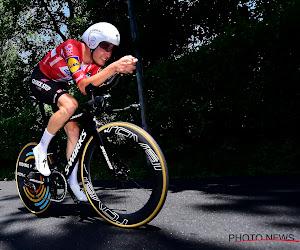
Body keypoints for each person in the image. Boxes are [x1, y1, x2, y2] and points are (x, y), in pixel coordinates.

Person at [30, 22, 138, 201]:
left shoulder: (94, 65)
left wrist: (120, 70)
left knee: (74, 130)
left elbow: (97, 84)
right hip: (40, 77)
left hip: (58, 84)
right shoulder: (72, 48)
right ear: (93, 42)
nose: (109, 54)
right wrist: (114, 67)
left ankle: (73, 183)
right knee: (71, 104)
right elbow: (82, 86)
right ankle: (40, 149)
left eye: (112, 49)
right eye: (105, 47)